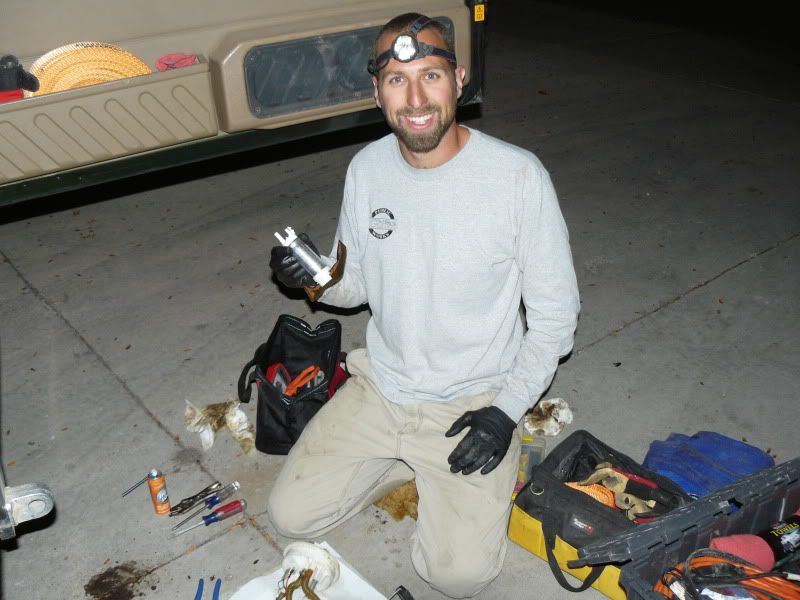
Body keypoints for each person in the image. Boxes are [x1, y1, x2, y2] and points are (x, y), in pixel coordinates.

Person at [268, 13, 580, 598]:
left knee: (456, 577)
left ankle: (444, 462)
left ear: (459, 80)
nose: (415, 100)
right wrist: (315, 280)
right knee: (291, 517)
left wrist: (505, 411)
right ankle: (403, 459)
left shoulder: (517, 177)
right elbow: (357, 286)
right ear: (377, 91)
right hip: (382, 388)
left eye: (430, 76)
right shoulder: (367, 168)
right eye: (397, 80)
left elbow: (556, 321)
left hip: (471, 404)